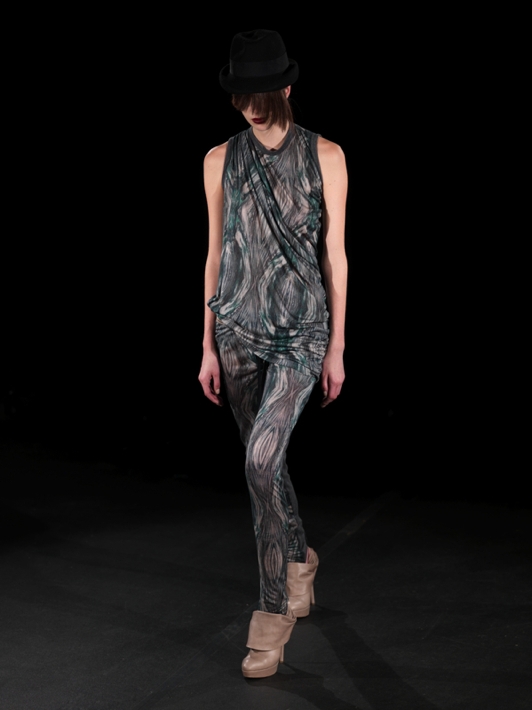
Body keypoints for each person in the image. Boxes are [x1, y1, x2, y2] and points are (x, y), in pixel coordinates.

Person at [199, 29, 348, 678]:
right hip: (236, 331)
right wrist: (206, 343)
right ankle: (299, 558)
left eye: (261, 95)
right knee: (264, 466)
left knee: (261, 460)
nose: (251, 108)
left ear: (286, 88)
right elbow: (215, 253)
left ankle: (271, 613)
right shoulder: (218, 159)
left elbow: (336, 256)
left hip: (300, 332)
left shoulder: (326, 155)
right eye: (241, 96)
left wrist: (337, 345)